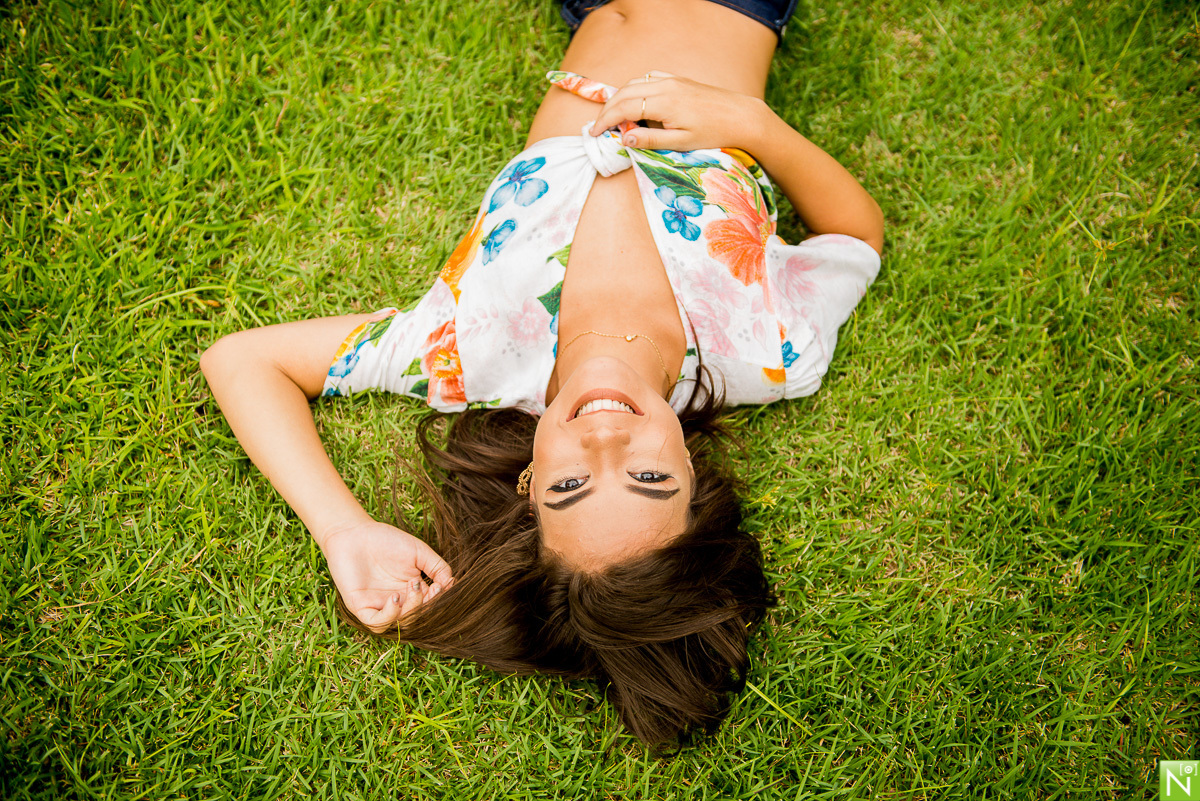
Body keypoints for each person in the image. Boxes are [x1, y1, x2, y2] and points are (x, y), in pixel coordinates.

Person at [201, 0, 883, 746]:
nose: (604, 440)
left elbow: (241, 359)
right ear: (693, 474)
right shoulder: (766, 352)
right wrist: (752, 126)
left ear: (529, 485)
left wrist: (344, 529)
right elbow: (854, 237)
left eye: (570, 484)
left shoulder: (467, 353)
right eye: (648, 478)